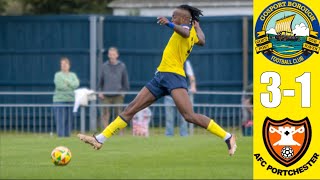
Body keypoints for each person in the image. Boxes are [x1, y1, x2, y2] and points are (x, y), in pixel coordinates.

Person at [78, 5, 237, 156]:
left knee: (189, 116)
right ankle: (100, 139)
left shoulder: (185, 30)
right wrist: (198, 26)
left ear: (182, 19)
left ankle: (227, 136)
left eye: (174, 16)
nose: (172, 17)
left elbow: (186, 33)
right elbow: (202, 40)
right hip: (161, 76)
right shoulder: (193, 31)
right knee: (130, 109)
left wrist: (169, 24)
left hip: (174, 76)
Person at [98, 47, 130, 128]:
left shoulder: (122, 66)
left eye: (114, 54)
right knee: (105, 114)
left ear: (117, 55)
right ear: (108, 55)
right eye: (110, 54)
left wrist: (123, 93)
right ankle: (104, 133)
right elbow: (100, 81)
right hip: (106, 95)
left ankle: (120, 133)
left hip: (118, 94)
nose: (112, 56)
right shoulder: (104, 66)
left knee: (120, 115)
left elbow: (125, 81)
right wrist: (100, 91)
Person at [164, 60, 196, 136]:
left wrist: (193, 86)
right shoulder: (166, 61)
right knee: (169, 118)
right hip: (169, 95)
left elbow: (191, 77)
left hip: (182, 95)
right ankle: (169, 136)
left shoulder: (186, 62)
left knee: (185, 117)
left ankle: (184, 135)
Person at [53, 57, 80, 137]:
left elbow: (76, 84)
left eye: (65, 64)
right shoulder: (58, 75)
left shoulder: (73, 75)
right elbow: (60, 86)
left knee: (69, 120)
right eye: (62, 64)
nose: (64, 66)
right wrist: (71, 84)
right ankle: (61, 137)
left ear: (69, 65)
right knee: (60, 120)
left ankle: (67, 137)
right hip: (59, 101)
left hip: (71, 100)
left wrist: (67, 82)